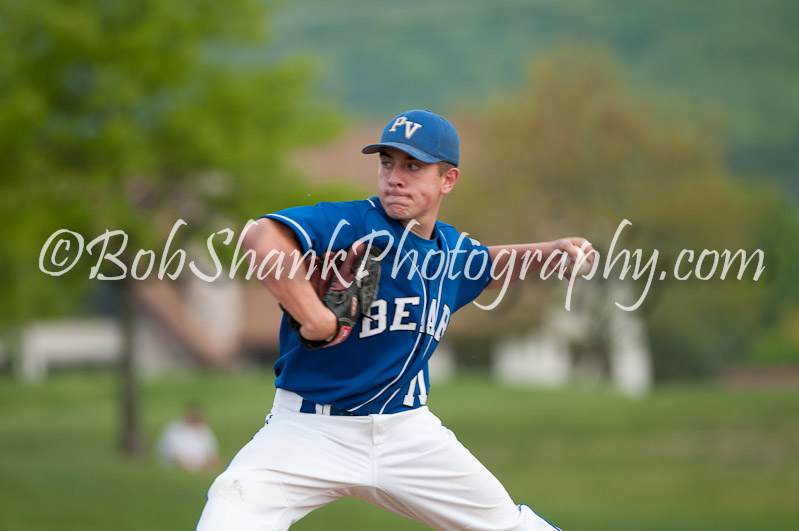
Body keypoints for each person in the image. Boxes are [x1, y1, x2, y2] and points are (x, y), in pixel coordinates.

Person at [196, 109, 592, 530]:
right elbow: (260, 237)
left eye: (413, 166)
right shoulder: (350, 224)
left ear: (448, 180)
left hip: (408, 434)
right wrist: (317, 319)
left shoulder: (451, 252)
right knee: (228, 508)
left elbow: (489, 264)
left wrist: (553, 251)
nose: (394, 177)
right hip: (307, 430)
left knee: (510, 527)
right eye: (387, 163)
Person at [158, 403, 219, 473]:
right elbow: (175, 458)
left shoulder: (205, 430)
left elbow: (212, 455)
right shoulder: (175, 429)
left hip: (202, 467)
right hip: (184, 467)